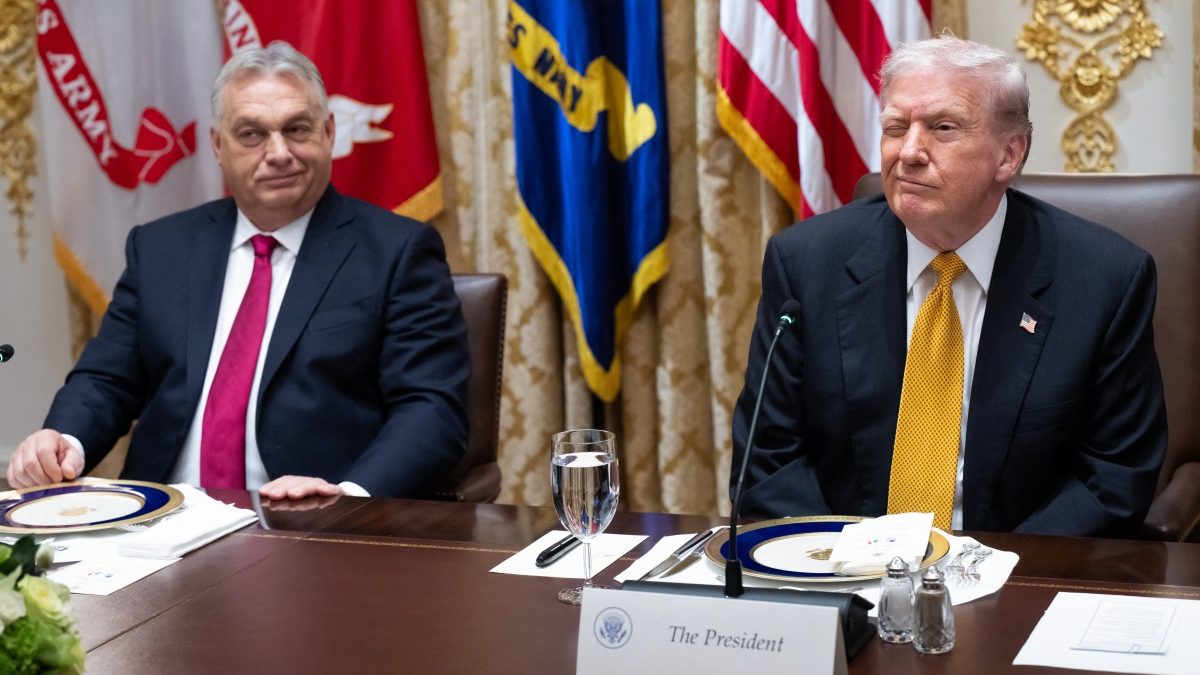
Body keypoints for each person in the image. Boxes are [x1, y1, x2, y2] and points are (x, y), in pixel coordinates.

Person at [731, 36, 1166, 537]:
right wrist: (849, 563)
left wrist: (995, 570)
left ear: (1008, 154)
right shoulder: (806, 263)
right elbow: (769, 460)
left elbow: (1113, 478)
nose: (909, 152)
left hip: (1016, 566)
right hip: (844, 564)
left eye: (943, 128)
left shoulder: (1104, 280)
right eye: (896, 127)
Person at [7, 41, 470, 500]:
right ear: (218, 145)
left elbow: (430, 407)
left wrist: (345, 497)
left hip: (310, 518)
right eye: (251, 134)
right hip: (162, 517)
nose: (279, 152)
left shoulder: (397, 252)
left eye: (297, 129)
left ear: (329, 132)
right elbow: (107, 379)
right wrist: (64, 441)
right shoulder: (160, 248)